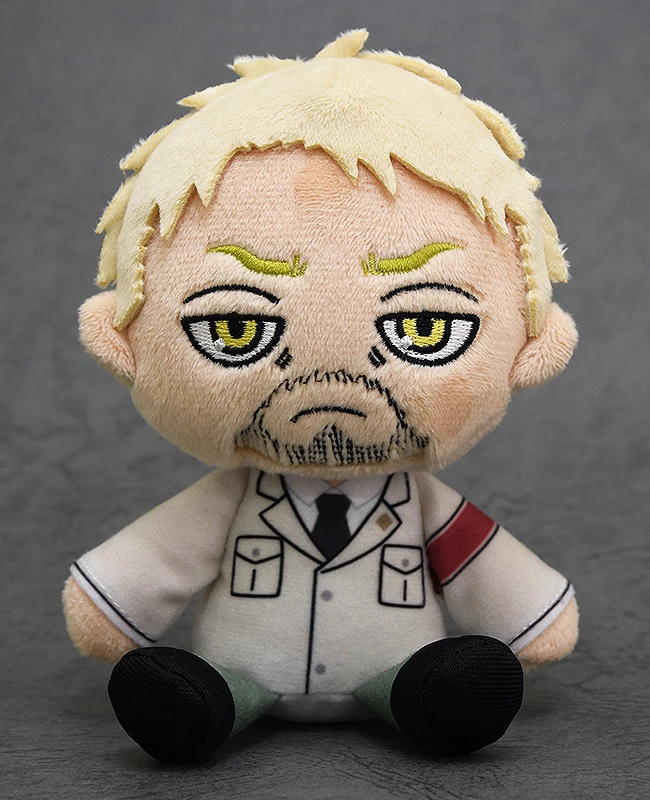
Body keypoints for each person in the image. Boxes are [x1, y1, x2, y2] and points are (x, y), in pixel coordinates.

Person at [63, 30, 579, 763]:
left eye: (425, 327)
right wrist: (110, 604)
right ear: (123, 342)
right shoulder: (229, 498)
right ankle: (212, 701)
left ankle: (425, 696)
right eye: (236, 328)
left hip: (396, 668)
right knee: (204, 693)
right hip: (244, 668)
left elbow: (502, 585)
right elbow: (157, 559)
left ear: (532, 346)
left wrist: (532, 620)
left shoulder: (425, 504)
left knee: (442, 687)